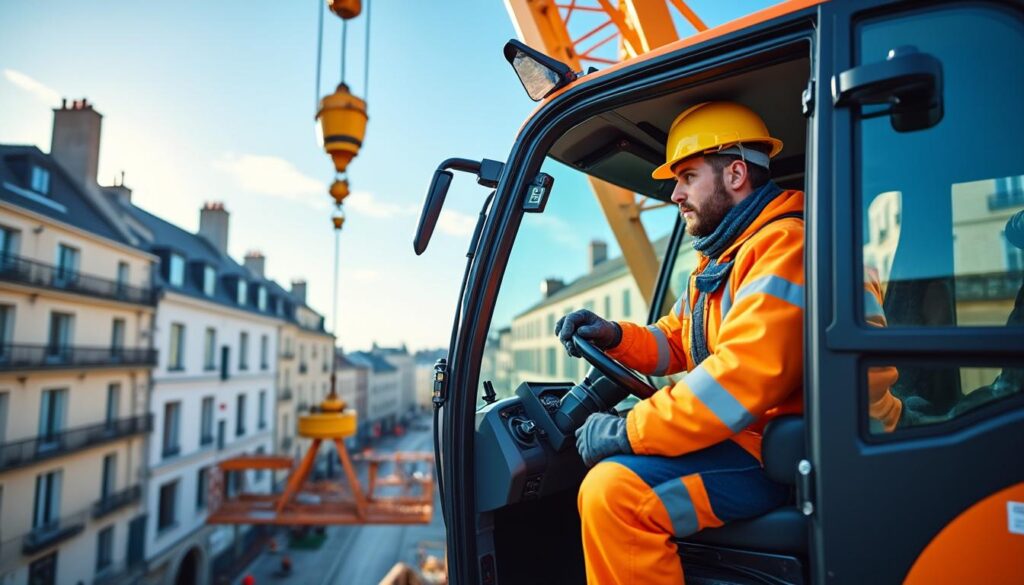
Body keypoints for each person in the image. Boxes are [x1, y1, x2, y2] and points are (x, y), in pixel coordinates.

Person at [555, 102, 902, 584]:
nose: (674, 193)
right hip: (761, 439)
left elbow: (737, 381)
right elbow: (678, 340)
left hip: (797, 455)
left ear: (736, 173)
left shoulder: (786, 247)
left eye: (688, 176)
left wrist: (626, 430)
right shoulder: (728, 257)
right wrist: (615, 337)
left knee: (613, 493)